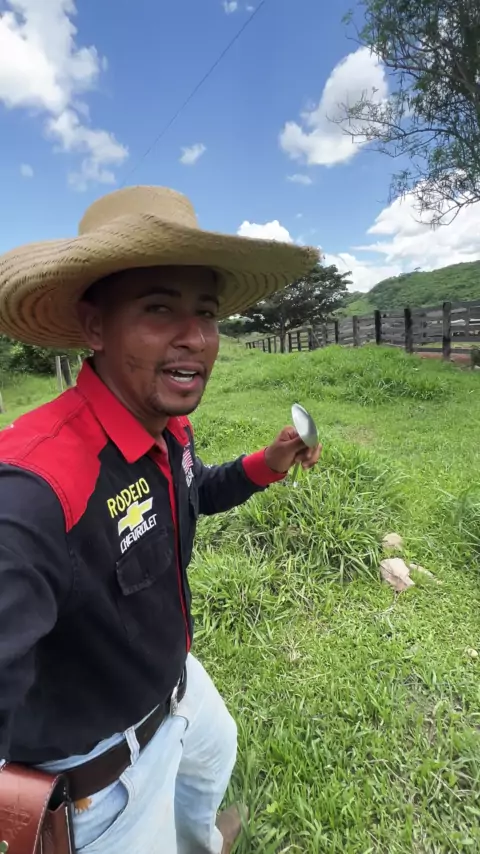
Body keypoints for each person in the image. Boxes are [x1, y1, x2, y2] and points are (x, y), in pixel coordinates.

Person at [0, 186, 321, 854]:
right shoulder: (35, 486)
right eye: (158, 308)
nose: (196, 337)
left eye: (206, 312)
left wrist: (267, 463)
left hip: (179, 689)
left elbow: (192, 493)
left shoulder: (167, 429)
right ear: (94, 327)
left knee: (216, 754)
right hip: (102, 786)